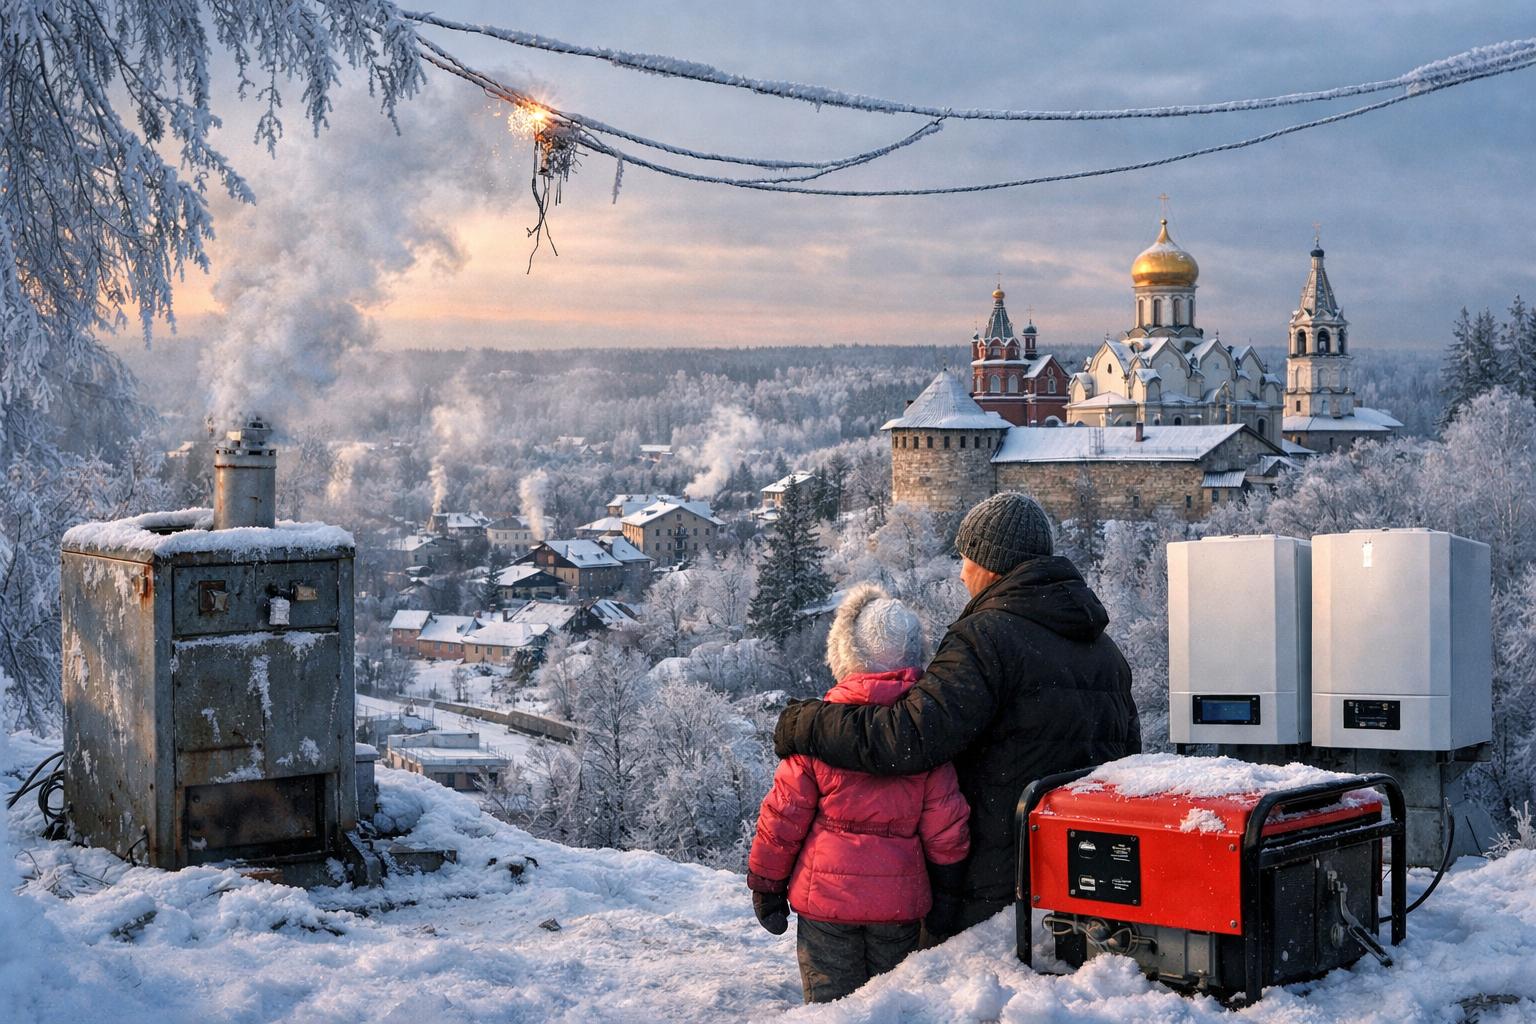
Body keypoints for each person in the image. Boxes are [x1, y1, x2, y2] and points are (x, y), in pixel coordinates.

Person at [774, 492, 1140, 942]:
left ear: (991, 563)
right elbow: (1127, 762)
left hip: (996, 883)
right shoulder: (1106, 652)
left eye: (966, 558)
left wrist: (806, 724)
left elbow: (909, 738)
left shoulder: (986, 638)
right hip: (1080, 880)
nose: (961, 571)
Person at [747, 583, 971, 1004]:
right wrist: (947, 897)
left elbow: (781, 819)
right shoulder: (925, 741)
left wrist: (767, 885)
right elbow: (947, 830)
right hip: (900, 903)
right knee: (893, 1005)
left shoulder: (816, 730)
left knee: (831, 1007)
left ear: (845, 652)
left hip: (825, 903)